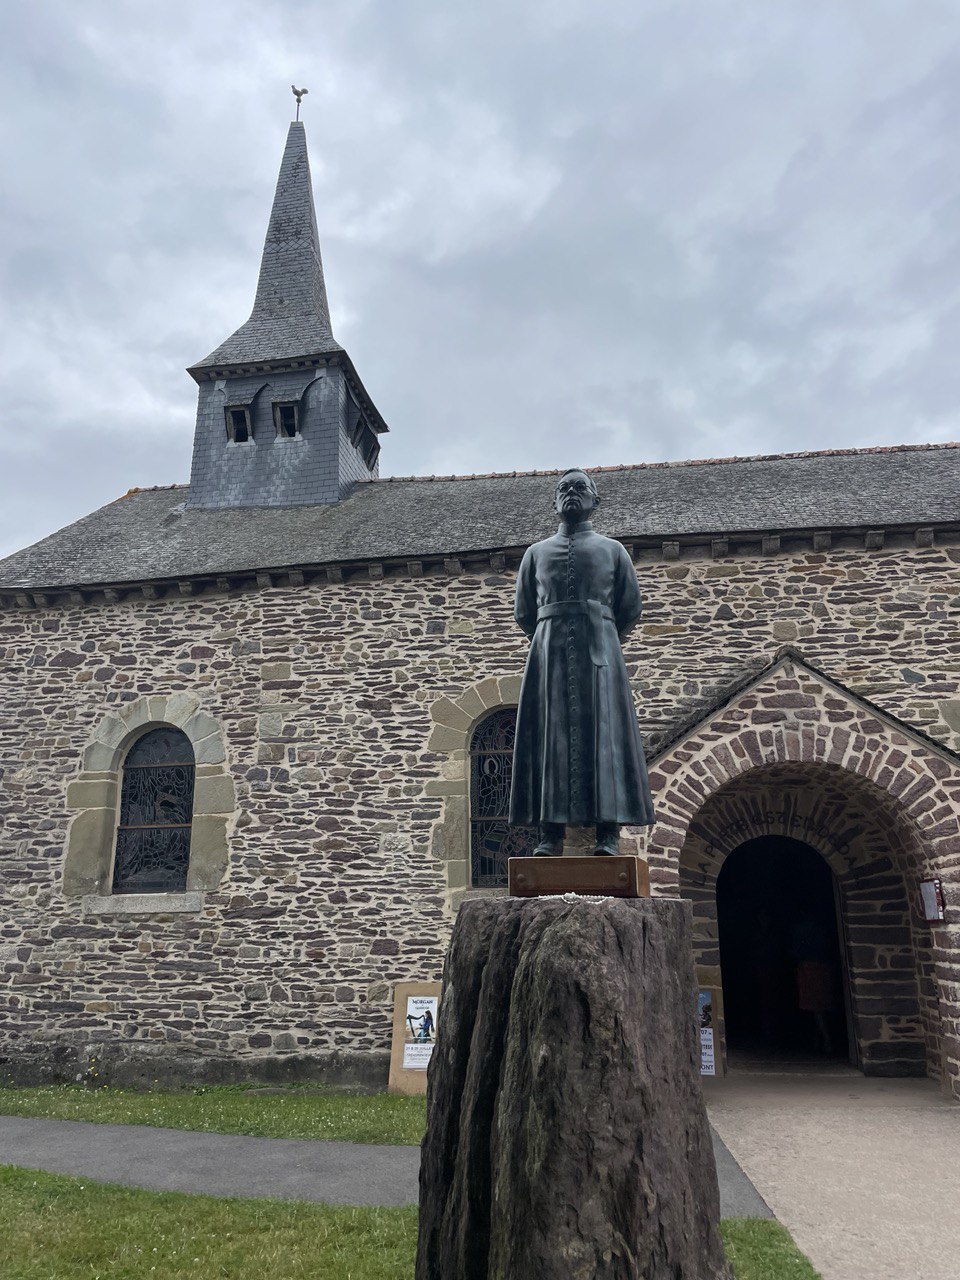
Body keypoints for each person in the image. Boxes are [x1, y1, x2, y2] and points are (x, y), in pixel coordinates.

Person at [509, 469, 656, 855]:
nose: (571, 493)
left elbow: (630, 607)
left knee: (607, 735)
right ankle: (549, 835)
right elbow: (524, 612)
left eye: (580, 487)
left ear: (595, 500)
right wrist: (548, 639)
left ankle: (609, 835)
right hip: (548, 653)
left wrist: (605, 639)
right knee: (549, 735)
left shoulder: (614, 550)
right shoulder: (535, 553)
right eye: (564, 488)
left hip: (600, 651)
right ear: (554, 502)